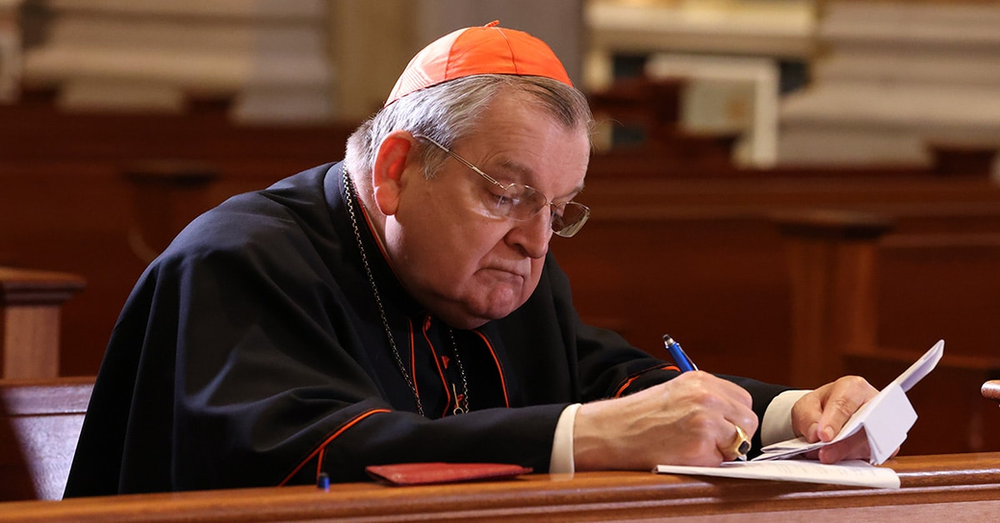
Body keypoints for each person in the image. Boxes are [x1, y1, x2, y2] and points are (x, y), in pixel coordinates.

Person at [65, 21, 881, 496]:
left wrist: (790, 413)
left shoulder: (503, 268)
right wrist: (582, 438)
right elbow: (313, 464)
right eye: (507, 193)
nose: (535, 240)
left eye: (559, 211)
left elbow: (603, 376)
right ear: (394, 172)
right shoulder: (236, 263)